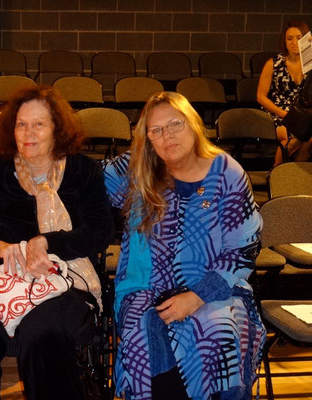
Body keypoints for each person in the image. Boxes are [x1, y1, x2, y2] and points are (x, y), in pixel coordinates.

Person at [0, 85, 114, 400]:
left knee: (43, 334)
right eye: (21, 124)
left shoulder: (82, 171)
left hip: (58, 277)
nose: (28, 133)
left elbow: (101, 231)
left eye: (38, 124)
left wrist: (49, 243)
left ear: (56, 129)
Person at [102, 91, 266, 400]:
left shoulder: (227, 173)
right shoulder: (137, 168)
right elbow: (83, 181)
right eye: (156, 130)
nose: (167, 136)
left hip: (217, 286)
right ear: (147, 137)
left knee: (218, 333)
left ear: (192, 124)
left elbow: (243, 250)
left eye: (175, 124)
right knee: (144, 336)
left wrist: (197, 296)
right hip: (145, 286)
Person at [257, 20, 311, 165]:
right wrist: (284, 114)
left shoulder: (310, 64)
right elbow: (260, 97)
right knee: (296, 136)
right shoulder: (273, 63)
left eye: (299, 38)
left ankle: (292, 175)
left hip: (302, 113)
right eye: (289, 38)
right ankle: (277, 171)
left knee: (308, 138)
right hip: (279, 112)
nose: (294, 42)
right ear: (284, 41)